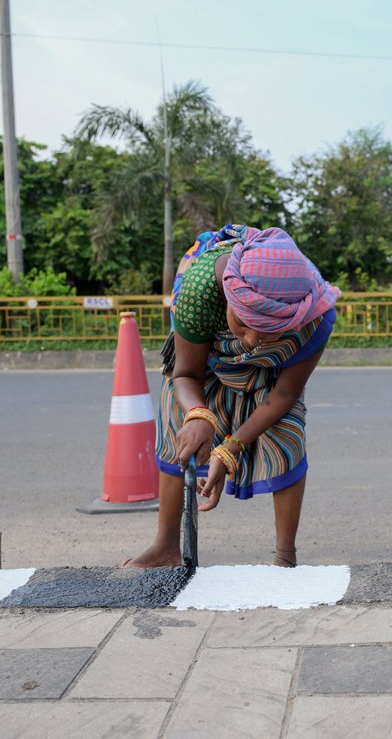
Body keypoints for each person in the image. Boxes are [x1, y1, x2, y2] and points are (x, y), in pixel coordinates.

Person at [120, 224, 338, 568]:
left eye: (266, 329)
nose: (250, 342)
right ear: (229, 297)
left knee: (288, 435)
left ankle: (285, 558)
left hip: (274, 371)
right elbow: (186, 374)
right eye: (244, 323)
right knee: (180, 426)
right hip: (205, 362)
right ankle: (165, 547)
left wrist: (230, 447)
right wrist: (198, 415)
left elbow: (285, 392)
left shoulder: (316, 313)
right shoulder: (200, 288)